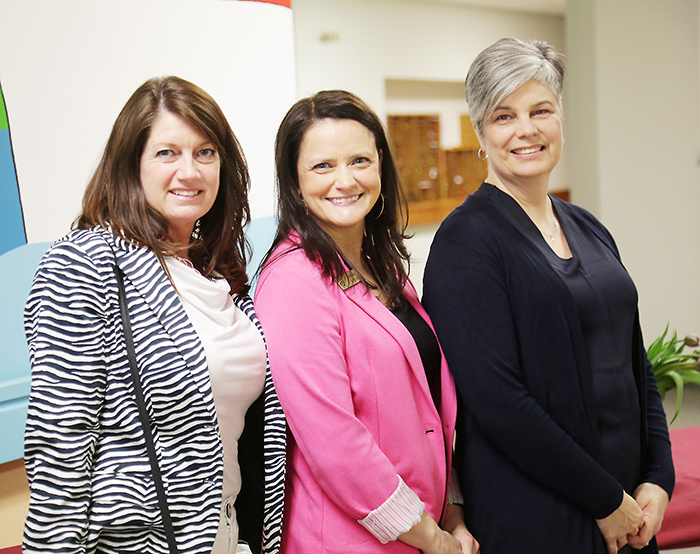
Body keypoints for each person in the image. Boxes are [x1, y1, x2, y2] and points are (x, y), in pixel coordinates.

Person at [422, 38, 674, 554]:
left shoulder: (588, 226)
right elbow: (499, 402)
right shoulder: (465, 242)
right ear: (480, 132)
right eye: (504, 116)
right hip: (541, 519)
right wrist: (604, 499)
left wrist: (657, 478)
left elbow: (635, 363)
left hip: (628, 513)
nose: (526, 130)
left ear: (560, 117)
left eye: (541, 110)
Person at [23, 76, 286, 554]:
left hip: (230, 534)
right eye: (167, 153)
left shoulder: (217, 275)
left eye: (205, 153)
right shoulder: (86, 262)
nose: (190, 171)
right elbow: (60, 443)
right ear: (131, 165)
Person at [253, 90, 478, 554]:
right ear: (294, 183)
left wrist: (451, 512)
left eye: (359, 160)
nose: (344, 180)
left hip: (423, 528)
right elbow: (336, 446)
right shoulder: (293, 280)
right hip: (347, 541)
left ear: (380, 167)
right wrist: (431, 537)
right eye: (322, 166)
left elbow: (429, 404)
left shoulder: (384, 267)